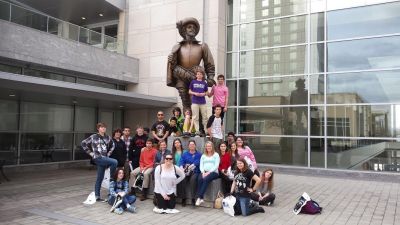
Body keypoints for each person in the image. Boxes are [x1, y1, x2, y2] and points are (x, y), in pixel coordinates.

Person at [166, 17, 215, 112]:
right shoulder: (177, 47)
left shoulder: (202, 46)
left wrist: (210, 77)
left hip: (195, 76)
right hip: (180, 75)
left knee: (196, 102)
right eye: (189, 27)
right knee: (185, 102)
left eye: (194, 27)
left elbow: (209, 64)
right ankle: (188, 125)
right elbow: (173, 65)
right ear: (184, 29)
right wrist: (171, 61)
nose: (192, 29)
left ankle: (197, 125)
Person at [81, 122, 117, 201]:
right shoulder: (93, 136)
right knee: (114, 162)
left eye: (104, 127)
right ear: (98, 128)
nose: (103, 128)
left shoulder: (107, 137)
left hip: (104, 158)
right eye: (101, 127)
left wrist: (109, 153)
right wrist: (91, 153)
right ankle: (111, 178)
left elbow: (113, 145)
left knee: (99, 178)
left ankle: (97, 196)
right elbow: (83, 143)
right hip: (98, 157)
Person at [195, 141, 220, 206]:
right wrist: (203, 172)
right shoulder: (203, 155)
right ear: (205, 147)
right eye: (207, 146)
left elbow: (216, 165)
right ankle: (201, 198)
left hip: (214, 172)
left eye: (210, 146)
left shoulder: (216, 155)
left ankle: (199, 197)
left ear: (212, 147)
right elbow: (201, 165)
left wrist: (208, 172)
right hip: (204, 172)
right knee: (200, 178)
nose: (208, 147)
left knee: (206, 179)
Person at [179, 140, 202, 206]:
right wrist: (183, 167)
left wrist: (193, 164)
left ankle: (193, 199)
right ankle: (183, 198)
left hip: (195, 171)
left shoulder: (199, 154)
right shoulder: (185, 154)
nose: (192, 146)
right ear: (188, 146)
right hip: (186, 171)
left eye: (193, 144)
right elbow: (181, 162)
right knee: (182, 180)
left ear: (195, 145)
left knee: (193, 180)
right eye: (190, 145)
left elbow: (199, 162)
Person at [189, 68, 209, 136]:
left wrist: (204, 94)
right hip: (195, 102)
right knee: (195, 117)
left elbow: (207, 92)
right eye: (198, 74)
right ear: (196, 75)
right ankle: (197, 130)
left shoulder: (204, 83)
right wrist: (195, 93)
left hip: (202, 102)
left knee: (205, 116)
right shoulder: (193, 82)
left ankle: (206, 130)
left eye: (200, 74)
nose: (199, 75)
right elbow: (189, 91)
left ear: (202, 75)